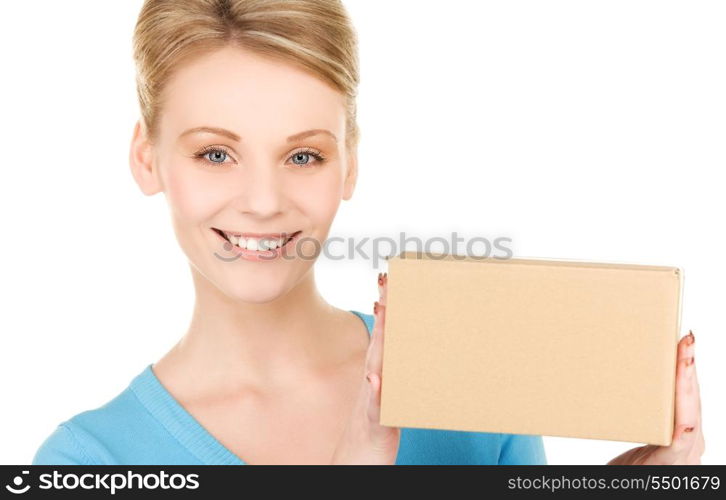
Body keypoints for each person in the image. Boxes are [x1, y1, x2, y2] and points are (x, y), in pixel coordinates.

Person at [32, 0, 704, 465]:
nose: (264, 202)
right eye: (215, 153)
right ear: (147, 158)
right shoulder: (89, 459)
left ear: (350, 163)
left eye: (304, 156)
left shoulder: (471, 390)